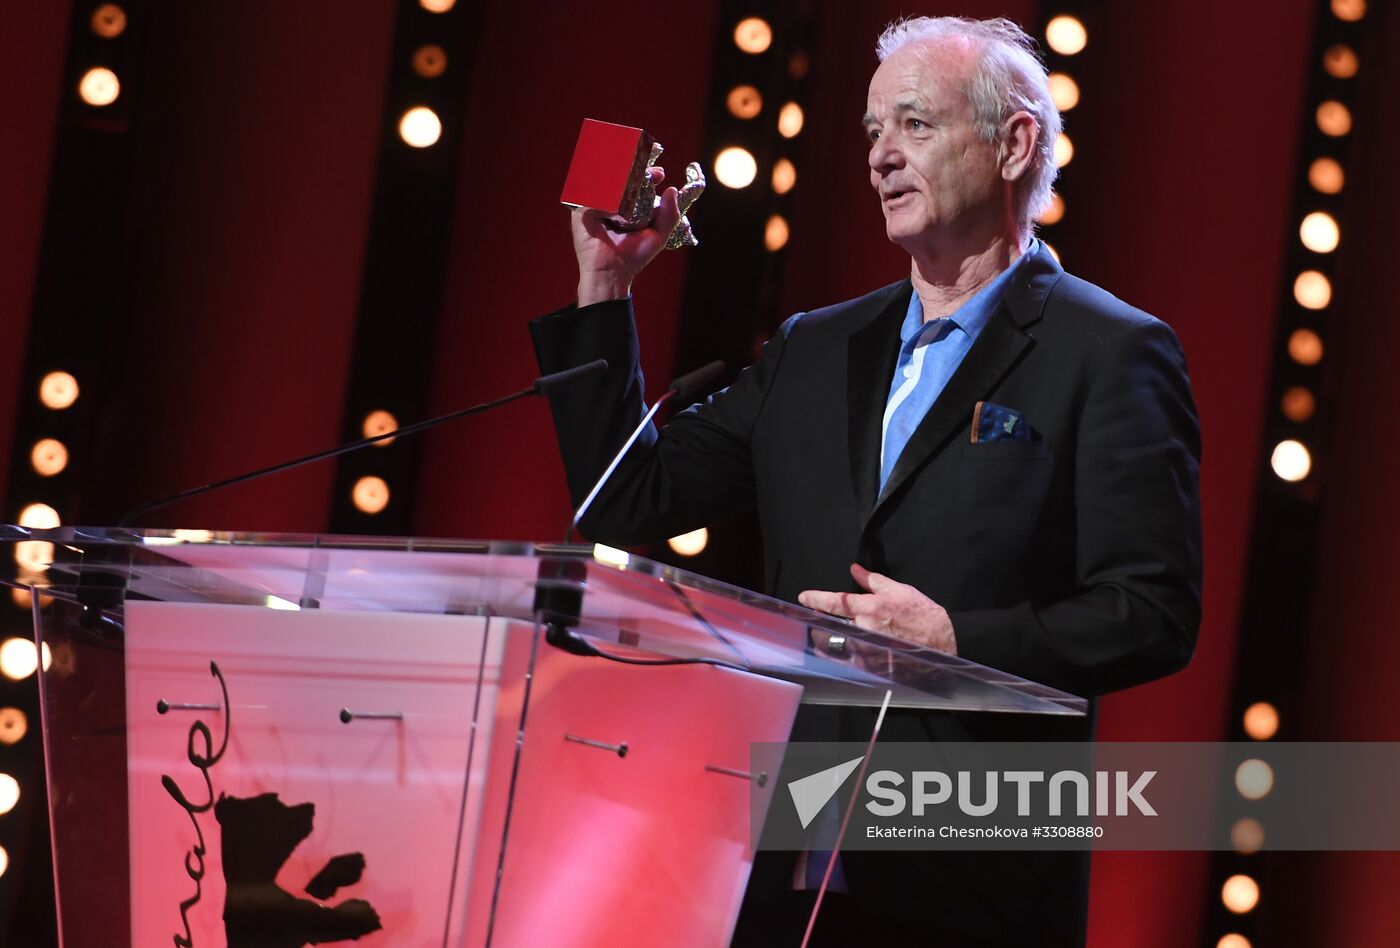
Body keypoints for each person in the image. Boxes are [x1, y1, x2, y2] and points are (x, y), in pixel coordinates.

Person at [530, 15, 1202, 947]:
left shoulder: (1111, 353)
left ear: (1013, 145)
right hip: (774, 859)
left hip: (968, 870)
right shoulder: (817, 348)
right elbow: (624, 495)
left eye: (915, 126)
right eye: (873, 132)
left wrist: (955, 638)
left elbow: (1153, 610)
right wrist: (604, 290)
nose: (882, 156)